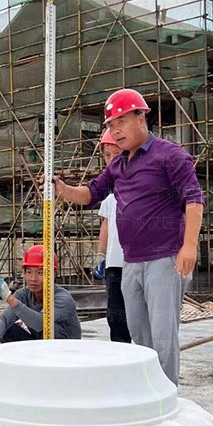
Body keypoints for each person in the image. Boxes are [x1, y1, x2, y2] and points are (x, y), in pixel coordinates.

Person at [48, 88, 204, 386]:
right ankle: (146, 391)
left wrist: (189, 246)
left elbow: (194, 199)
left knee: (163, 335)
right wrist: (63, 189)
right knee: (139, 335)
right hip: (131, 262)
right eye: (110, 125)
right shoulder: (119, 165)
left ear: (141, 116)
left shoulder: (169, 156)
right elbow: (92, 193)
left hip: (164, 258)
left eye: (121, 121)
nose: (115, 130)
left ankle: (166, 394)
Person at [0, 245, 82, 344]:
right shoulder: (23, 294)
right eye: (29, 272)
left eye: (40, 273)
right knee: (5, 329)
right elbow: (3, 319)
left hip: (66, 350)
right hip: (39, 346)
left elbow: (40, 323)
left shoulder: (63, 299)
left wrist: (10, 298)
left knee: (49, 327)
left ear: (53, 274)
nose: (33, 278)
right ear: (24, 273)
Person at [93, 128, 131, 343]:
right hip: (115, 264)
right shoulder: (109, 189)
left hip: (137, 261)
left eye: (114, 154)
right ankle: (121, 352)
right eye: (106, 155)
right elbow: (107, 223)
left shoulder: (139, 183)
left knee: (140, 316)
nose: (110, 160)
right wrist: (101, 254)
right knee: (116, 316)